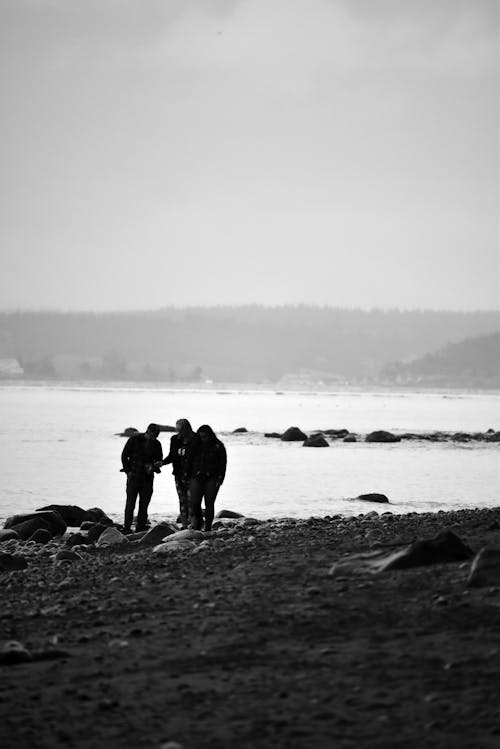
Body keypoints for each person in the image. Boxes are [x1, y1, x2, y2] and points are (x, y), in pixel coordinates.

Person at [121, 423, 163, 533]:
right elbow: (124, 455)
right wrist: (128, 471)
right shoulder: (134, 440)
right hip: (133, 476)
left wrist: (155, 466)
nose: (153, 438)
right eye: (152, 435)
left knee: (144, 505)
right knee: (130, 504)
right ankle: (126, 527)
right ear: (147, 431)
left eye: (155, 436)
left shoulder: (157, 444)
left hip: (148, 478)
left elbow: (159, 460)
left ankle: (140, 528)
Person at [158, 418, 199, 529]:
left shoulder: (196, 439)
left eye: (180, 429)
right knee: (182, 500)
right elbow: (172, 456)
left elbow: (199, 458)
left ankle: (194, 524)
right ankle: (185, 525)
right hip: (178, 475)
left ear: (186, 429)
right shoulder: (175, 439)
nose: (178, 432)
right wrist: (162, 462)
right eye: (177, 429)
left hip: (192, 476)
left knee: (193, 501)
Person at [185, 424, 227, 532]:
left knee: (209, 503)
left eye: (205, 436)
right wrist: (187, 475)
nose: (203, 439)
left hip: (212, 478)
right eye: (201, 436)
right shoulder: (195, 445)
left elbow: (223, 464)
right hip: (196, 476)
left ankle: (208, 527)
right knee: (194, 503)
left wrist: (220, 479)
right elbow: (189, 461)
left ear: (210, 435)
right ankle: (199, 523)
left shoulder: (218, 446)